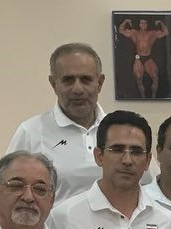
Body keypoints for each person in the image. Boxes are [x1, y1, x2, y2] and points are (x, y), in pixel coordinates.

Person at [9, 42, 109, 202]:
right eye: (68, 80)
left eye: (86, 80)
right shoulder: (31, 132)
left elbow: (145, 186)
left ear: (100, 83)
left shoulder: (119, 131)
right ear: (54, 84)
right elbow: (10, 193)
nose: (77, 89)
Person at [117, 18, 170, 99]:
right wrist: (126, 21)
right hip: (139, 58)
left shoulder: (152, 33)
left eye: (145, 23)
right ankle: (143, 97)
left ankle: (153, 97)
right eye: (141, 23)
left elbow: (166, 32)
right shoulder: (134, 33)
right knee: (139, 79)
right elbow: (121, 30)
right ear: (139, 25)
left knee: (155, 78)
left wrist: (160, 22)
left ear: (147, 25)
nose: (143, 24)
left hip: (148, 57)